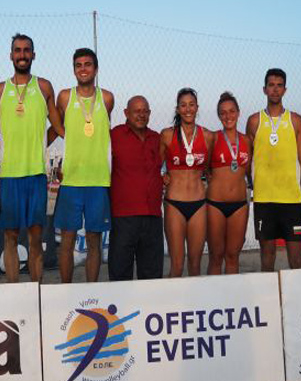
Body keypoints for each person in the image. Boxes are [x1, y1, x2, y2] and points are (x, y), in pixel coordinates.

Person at [0, 33, 65, 283]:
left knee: (35, 239)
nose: (22, 54)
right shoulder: (0, 90)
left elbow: (59, 126)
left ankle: (35, 292)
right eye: (17, 50)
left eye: (26, 50)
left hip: (36, 174)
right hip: (10, 176)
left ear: (34, 54)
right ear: (10, 55)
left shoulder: (43, 87)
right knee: (10, 239)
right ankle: (14, 291)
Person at [53, 48, 114, 283]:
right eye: (78, 65)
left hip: (98, 180)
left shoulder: (107, 98)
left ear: (96, 69)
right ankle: (66, 289)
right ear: (73, 69)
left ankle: (91, 291)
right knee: (67, 241)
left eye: (88, 64)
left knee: (94, 240)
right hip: (71, 179)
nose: (83, 69)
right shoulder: (65, 97)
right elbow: (58, 127)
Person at [246, 68, 301, 272]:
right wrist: (254, 186)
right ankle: (269, 303)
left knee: (297, 259)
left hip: (292, 201)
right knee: (267, 258)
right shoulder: (254, 121)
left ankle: (298, 302)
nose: (275, 89)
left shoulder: (295, 120)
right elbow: (247, 161)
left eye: (279, 85)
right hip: (264, 200)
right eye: (271, 85)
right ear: (264, 89)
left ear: (285, 89)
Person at [108, 96, 164, 281]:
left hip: (153, 217)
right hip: (124, 217)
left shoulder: (157, 138)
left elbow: (167, 168)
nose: (141, 115)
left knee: (152, 277)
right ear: (126, 113)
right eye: (136, 111)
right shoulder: (113, 136)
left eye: (145, 111)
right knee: (120, 274)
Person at [160, 88, 213, 277]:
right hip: (175, 203)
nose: (188, 109)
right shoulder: (167, 135)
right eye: (183, 105)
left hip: (199, 203)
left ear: (197, 108)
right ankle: (174, 304)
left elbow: (208, 168)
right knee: (177, 264)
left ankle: (194, 304)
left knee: (196, 264)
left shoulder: (208, 136)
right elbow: (155, 167)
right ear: (177, 109)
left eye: (191, 105)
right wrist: (162, 176)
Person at [206, 92, 251, 274]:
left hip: (239, 205)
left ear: (239, 113)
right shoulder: (213, 138)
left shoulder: (247, 140)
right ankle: (213, 299)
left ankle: (232, 297)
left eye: (232, 111)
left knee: (233, 256)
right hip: (215, 204)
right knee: (216, 256)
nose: (228, 116)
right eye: (223, 113)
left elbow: (247, 171)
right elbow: (204, 167)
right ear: (218, 116)